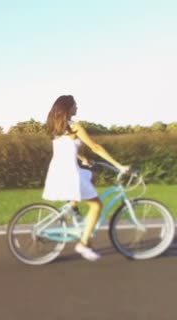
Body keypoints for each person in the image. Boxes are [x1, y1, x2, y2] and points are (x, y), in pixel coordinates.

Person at [42, 95, 129, 261]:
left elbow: (67, 147)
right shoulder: (75, 127)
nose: (77, 108)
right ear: (68, 108)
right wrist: (119, 166)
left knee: (91, 175)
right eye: (75, 105)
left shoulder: (59, 127)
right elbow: (95, 147)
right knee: (97, 206)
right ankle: (83, 243)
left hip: (59, 171)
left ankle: (73, 208)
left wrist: (83, 159)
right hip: (69, 173)